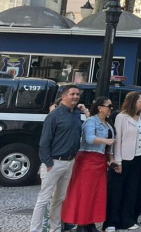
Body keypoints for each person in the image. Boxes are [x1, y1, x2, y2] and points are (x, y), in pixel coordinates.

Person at [31, 84, 86, 232]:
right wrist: (48, 163)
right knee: (43, 199)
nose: (75, 96)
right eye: (72, 94)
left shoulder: (76, 114)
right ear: (63, 96)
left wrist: (85, 111)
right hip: (54, 162)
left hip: (69, 162)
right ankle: (34, 229)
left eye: (77, 94)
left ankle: (55, 228)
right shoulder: (53, 116)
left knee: (59, 199)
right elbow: (44, 142)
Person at [62, 96, 114, 232]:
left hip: (100, 161)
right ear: (100, 108)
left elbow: (111, 144)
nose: (111, 109)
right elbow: (89, 139)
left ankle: (90, 222)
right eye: (109, 106)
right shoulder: (91, 121)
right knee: (85, 193)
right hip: (88, 160)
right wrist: (105, 141)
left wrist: (111, 158)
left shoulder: (108, 124)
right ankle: (81, 223)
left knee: (96, 194)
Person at [105, 91, 141, 232]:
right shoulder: (121, 117)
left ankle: (127, 220)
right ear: (133, 101)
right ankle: (111, 221)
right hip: (124, 158)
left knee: (131, 191)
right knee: (116, 191)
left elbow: (140, 136)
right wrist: (117, 161)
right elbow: (117, 141)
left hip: (138, 158)